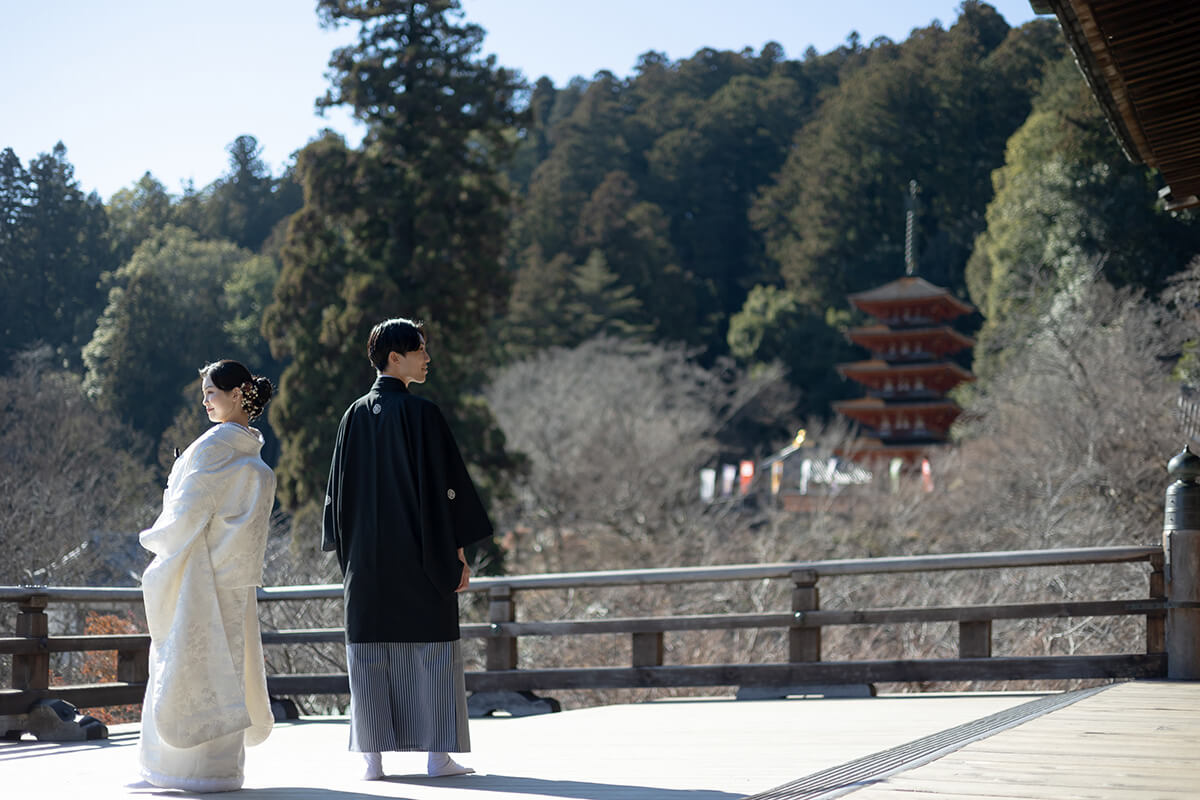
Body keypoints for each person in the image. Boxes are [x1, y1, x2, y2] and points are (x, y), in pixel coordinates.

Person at [322, 317, 494, 780]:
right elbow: (447, 493)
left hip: (369, 563)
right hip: (421, 557)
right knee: (433, 649)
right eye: (419, 349)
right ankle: (438, 756)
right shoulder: (423, 415)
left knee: (371, 652)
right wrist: (455, 552)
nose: (427, 357)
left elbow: (337, 498)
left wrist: (351, 557)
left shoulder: (352, 415)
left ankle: (371, 759)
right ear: (394, 357)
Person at [137, 360, 276, 792]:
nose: (204, 401)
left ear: (237, 394)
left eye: (211, 392)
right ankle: (220, 769)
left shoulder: (213, 446)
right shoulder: (250, 447)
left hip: (201, 576)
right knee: (226, 668)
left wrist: (157, 531)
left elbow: (185, 512)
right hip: (234, 576)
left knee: (185, 661)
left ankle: (177, 770)